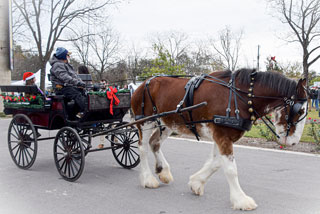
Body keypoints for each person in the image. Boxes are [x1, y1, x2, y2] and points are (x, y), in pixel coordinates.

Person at [49, 47, 87, 119]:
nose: (69, 57)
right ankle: (84, 110)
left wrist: (81, 83)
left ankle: (77, 114)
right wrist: (77, 83)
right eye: (68, 55)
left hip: (68, 87)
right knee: (77, 94)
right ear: (63, 56)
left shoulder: (67, 65)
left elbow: (75, 76)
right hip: (60, 88)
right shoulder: (57, 65)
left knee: (82, 92)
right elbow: (64, 77)